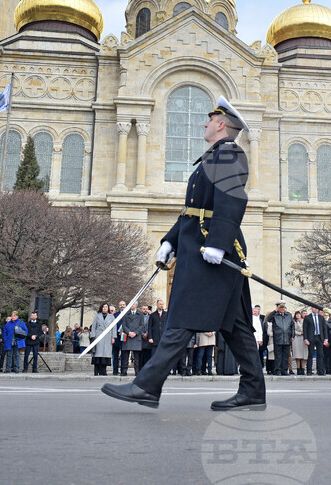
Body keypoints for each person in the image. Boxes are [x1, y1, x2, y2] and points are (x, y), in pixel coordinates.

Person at [103, 96, 265, 410]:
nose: (204, 123)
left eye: (210, 119)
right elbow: (193, 211)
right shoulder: (213, 156)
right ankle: (254, 391)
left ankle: (147, 385)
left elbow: (233, 199)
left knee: (182, 317)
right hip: (201, 246)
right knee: (236, 325)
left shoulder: (229, 153)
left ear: (221, 124)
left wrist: (218, 242)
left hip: (211, 250)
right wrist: (170, 241)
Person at [266, 302, 293, 375]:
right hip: (278, 338)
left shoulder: (289, 315)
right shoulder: (275, 315)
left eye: (283, 307)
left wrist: (292, 336)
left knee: (285, 356)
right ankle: (277, 370)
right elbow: (268, 319)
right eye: (281, 307)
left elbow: (292, 326)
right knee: (278, 356)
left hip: (287, 338)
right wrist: (275, 311)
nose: (282, 309)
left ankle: (284, 370)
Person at [120, 306, 145, 376]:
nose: (132, 306)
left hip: (136, 337)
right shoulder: (126, 314)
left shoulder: (140, 314)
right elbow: (124, 325)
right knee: (125, 356)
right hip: (128, 336)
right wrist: (129, 332)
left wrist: (136, 333)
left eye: (133, 304)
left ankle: (137, 371)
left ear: (136, 305)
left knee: (136, 356)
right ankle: (124, 371)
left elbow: (142, 325)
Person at [303, 309, 329, 375]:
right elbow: (305, 329)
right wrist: (305, 339)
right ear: (312, 309)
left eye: (316, 309)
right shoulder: (307, 317)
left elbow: (324, 328)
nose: (315, 310)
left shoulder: (321, 318)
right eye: (314, 308)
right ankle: (309, 371)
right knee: (311, 354)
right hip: (311, 337)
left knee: (320, 354)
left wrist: (326, 338)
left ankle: (320, 370)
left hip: (320, 337)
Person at [91, 304, 113, 376]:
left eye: (106, 307)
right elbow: (93, 326)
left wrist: (113, 337)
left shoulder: (111, 317)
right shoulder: (97, 316)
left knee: (105, 354)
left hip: (107, 337)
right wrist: (93, 336)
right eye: (103, 307)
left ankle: (103, 371)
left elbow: (114, 327)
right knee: (97, 354)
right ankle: (96, 370)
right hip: (98, 336)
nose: (105, 308)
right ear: (101, 308)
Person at [146, 300, 167, 365]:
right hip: (155, 339)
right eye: (160, 304)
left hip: (163, 339)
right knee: (154, 356)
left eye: (162, 304)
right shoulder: (153, 315)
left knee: (163, 356)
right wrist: (150, 337)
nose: (161, 305)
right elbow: (149, 327)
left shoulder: (166, 314)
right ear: (157, 305)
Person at [290, 311, 307, 375]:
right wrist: (299, 333)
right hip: (296, 338)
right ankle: (298, 369)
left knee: (303, 355)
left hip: (303, 338)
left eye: (299, 314)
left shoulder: (304, 321)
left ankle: (303, 369)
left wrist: (303, 332)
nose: (298, 316)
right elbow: (293, 330)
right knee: (297, 355)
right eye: (297, 314)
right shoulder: (293, 321)